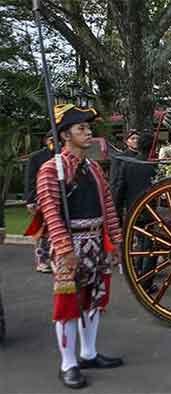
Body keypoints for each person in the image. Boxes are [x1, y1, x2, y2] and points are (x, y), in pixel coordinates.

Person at [27, 104, 124, 389]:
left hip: (96, 240)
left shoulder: (94, 168)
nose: (88, 132)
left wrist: (115, 240)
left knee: (94, 298)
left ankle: (89, 353)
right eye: (81, 128)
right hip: (70, 244)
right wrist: (65, 248)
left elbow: (108, 206)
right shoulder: (51, 169)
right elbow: (51, 212)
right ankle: (68, 363)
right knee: (69, 305)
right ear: (65, 134)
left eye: (88, 128)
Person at [112, 132, 158, 293]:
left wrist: (116, 212)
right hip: (151, 212)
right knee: (149, 245)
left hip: (132, 210)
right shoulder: (154, 166)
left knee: (136, 241)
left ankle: (135, 270)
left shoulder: (128, 165)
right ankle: (145, 281)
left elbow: (119, 190)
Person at [25, 132, 55, 273]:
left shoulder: (62, 156)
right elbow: (30, 181)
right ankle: (42, 261)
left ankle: (55, 259)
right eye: (51, 139)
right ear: (46, 140)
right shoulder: (36, 157)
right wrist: (30, 201)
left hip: (59, 199)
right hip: (40, 199)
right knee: (41, 232)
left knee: (55, 231)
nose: (54, 141)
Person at [109, 129, 140, 197]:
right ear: (127, 142)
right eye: (132, 138)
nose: (136, 141)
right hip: (126, 195)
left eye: (137, 138)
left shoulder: (142, 157)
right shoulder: (119, 158)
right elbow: (114, 181)